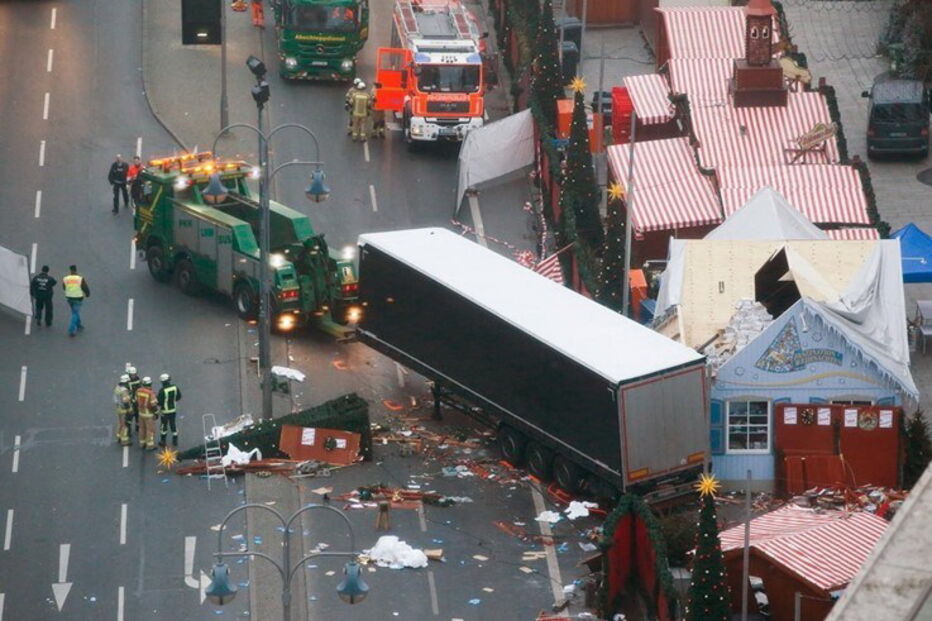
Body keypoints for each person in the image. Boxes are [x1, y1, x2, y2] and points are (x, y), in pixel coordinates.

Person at [62, 265, 90, 337]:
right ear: (76, 270)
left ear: (70, 270)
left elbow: (64, 287)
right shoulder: (80, 279)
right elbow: (85, 287)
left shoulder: (66, 278)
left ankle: (78, 324)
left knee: (74, 311)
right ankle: (72, 329)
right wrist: (87, 294)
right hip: (78, 298)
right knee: (75, 313)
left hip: (69, 298)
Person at [157, 373, 182, 447]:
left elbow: (159, 402)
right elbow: (179, 397)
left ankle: (163, 441)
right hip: (173, 410)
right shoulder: (175, 387)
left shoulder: (162, 390)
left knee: (164, 426)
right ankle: (175, 440)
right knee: (173, 424)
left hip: (165, 411)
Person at [135, 377, 159, 450]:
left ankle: (142, 443)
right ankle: (150, 445)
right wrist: (156, 413)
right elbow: (153, 405)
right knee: (150, 430)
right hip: (149, 414)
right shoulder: (150, 393)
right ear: (150, 384)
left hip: (141, 413)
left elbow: (136, 401)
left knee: (142, 429)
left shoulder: (138, 391)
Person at [113, 374, 132, 446]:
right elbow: (126, 401)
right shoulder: (124, 390)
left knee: (120, 423)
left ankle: (119, 436)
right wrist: (129, 409)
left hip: (118, 408)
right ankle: (124, 441)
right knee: (125, 425)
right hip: (123, 409)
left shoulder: (117, 388)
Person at [126, 366, 142, 442]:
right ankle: (128, 430)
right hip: (130, 401)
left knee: (137, 414)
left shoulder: (138, 379)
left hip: (136, 400)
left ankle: (137, 427)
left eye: (134, 374)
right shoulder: (127, 382)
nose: (133, 376)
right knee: (129, 416)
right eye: (132, 374)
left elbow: (140, 388)